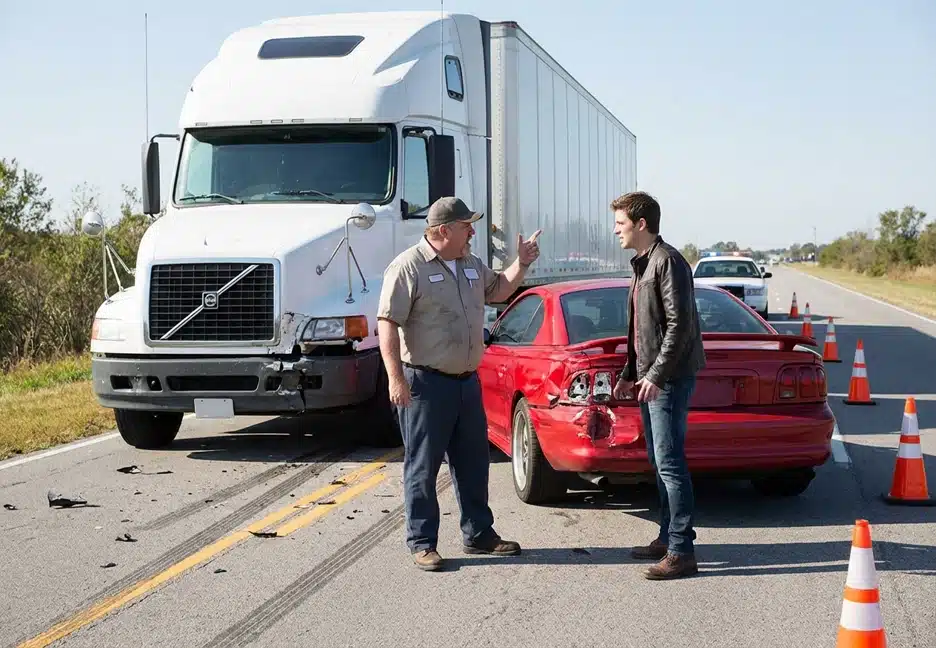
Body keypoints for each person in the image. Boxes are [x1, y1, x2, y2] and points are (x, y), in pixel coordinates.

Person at [376, 196, 542, 571]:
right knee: (422, 467)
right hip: (425, 383)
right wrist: (395, 379)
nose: (472, 232)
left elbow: (499, 289)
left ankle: (479, 534)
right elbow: (387, 323)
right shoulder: (408, 267)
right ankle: (422, 542)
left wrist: (523, 263)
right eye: (467, 226)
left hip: (467, 383)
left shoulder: (469, 264)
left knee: (473, 462)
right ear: (443, 231)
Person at [610, 191, 706, 580]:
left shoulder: (669, 263)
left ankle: (682, 550)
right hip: (652, 377)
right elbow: (641, 330)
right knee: (659, 460)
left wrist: (656, 375)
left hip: (669, 378)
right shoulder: (642, 264)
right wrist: (629, 375)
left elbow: (679, 327)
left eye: (620, 224)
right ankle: (668, 536)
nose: (616, 230)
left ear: (641, 224)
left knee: (670, 463)